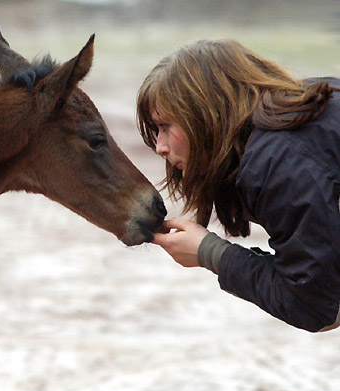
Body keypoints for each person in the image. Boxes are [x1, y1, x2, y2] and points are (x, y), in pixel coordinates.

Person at [136, 39, 340, 332]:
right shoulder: (307, 112)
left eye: (166, 126)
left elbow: (317, 307)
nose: (160, 147)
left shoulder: (278, 162)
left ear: (206, 115)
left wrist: (211, 253)